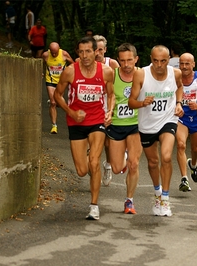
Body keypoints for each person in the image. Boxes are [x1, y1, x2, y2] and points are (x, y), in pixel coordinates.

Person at [54, 36, 115, 220]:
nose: (85, 55)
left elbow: (111, 95)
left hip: (97, 120)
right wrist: (71, 113)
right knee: (82, 170)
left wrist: (110, 112)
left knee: (94, 162)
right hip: (76, 123)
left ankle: (94, 206)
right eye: (81, 52)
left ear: (96, 51)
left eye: (88, 51)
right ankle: (90, 156)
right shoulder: (70, 72)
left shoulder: (106, 71)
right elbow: (57, 95)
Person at [128, 45, 184, 217]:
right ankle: (158, 192)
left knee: (166, 156)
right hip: (147, 123)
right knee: (153, 162)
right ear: (150, 59)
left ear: (169, 60)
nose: (159, 65)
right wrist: (142, 103)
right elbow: (131, 102)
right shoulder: (141, 74)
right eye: (155, 61)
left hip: (168, 119)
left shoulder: (175, 73)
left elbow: (179, 88)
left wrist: (178, 103)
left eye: (163, 61)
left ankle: (166, 199)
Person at [106, 43, 142, 214]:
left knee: (134, 165)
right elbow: (106, 96)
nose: (126, 65)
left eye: (130, 60)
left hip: (137, 125)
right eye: (122, 61)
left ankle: (129, 201)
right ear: (118, 61)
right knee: (116, 167)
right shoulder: (112, 75)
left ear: (136, 59)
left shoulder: (143, 75)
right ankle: (124, 156)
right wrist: (107, 112)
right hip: (116, 125)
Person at [176, 53, 197, 192]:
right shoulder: (175, 78)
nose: (184, 67)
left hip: (196, 118)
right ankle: (184, 178)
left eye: (187, 64)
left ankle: (193, 164)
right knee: (181, 145)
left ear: (193, 64)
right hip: (181, 117)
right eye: (182, 63)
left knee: (195, 149)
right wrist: (176, 105)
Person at [92, 35, 120, 186]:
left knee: (108, 143)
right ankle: (92, 161)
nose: (97, 52)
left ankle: (108, 165)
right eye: (95, 49)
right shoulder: (86, 64)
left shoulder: (112, 64)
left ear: (105, 50)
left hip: (108, 105)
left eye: (100, 49)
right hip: (92, 107)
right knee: (92, 140)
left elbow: (121, 83)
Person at [42, 42, 74, 134]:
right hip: (50, 80)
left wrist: (69, 74)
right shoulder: (45, 55)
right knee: (53, 102)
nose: (54, 54)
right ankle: (54, 126)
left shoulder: (64, 54)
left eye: (56, 52)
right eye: (53, 52)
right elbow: (40, 63)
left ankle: (57, 102)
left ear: (59, 49)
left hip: (61, 82)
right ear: (49, 50)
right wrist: (41, 72)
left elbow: (72, 63)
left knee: (58, 102)